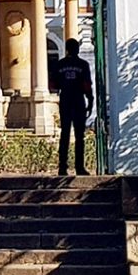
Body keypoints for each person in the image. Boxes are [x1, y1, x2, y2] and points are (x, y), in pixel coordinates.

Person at [51, 39, 93, 176]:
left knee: (65, 134)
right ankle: (79, 167)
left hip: (65, 100)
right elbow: (87, 85)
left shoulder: (59, 65)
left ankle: (62, 167)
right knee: (79, 136)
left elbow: (53, 84)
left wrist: (64, 85)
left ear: (67, 49)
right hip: (78, 101)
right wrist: (90, 100)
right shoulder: (83, 64)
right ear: (77, 49)